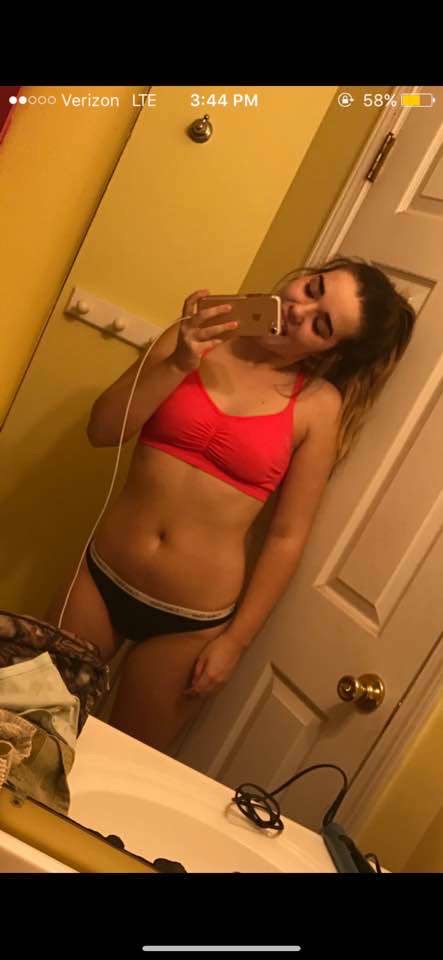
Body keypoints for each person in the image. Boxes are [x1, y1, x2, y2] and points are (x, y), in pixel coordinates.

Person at [47, 257, 416, 753]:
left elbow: (286, 537)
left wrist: (235, 643)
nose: (299, 311)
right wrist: (179, 362)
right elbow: (103, 430)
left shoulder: (318, 406)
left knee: (120, 763)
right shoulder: (194, 335)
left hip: (189, 624)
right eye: (312, 289)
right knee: (30, 728)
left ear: (330, 351)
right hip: (100, 579)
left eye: (322, 325)